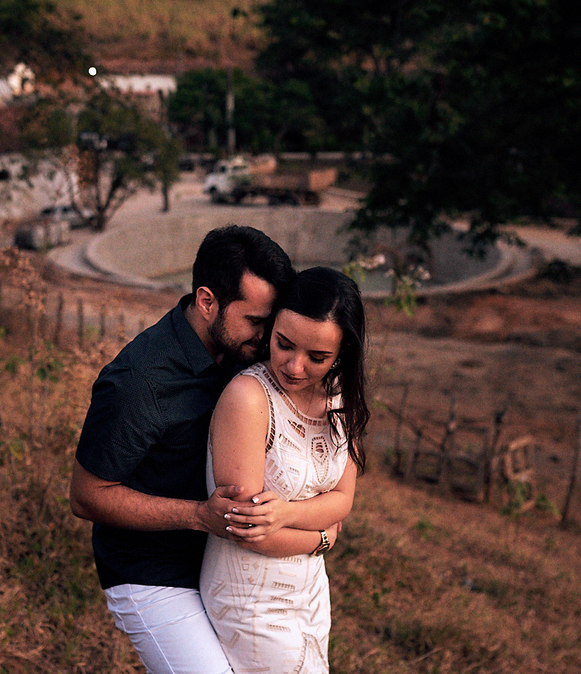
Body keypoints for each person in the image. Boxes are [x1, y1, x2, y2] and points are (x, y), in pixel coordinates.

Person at [69, 225, 295, 673]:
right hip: (150, 573)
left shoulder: (243, 355)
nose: (266, 337)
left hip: (222, 563)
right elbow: (85, 495)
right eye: (255, 321)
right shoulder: (139, 381)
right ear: (207, 301)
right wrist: (198, 516)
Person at [201, 266, 369, 673]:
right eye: (284, 344)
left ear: (342, 354)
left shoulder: (340, 401)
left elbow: (343, 500)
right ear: (271, 329)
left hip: (311, 591)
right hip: (250, 599)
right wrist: (323, 538)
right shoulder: (249, 397)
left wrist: (288, 515)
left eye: (317, 357)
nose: (294, 367)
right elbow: (249, 531)